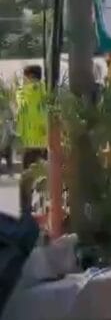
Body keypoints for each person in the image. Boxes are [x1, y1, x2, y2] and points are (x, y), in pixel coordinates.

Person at [16, 65, 48, 215]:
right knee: (47, 177)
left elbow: (21, 119)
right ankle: (46, 207)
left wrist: (19, 142)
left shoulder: (23, 94)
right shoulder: (46, 91)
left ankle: (26, 211)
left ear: (29, 76)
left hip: (29, 144)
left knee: (26, 180)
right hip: (44, 144)